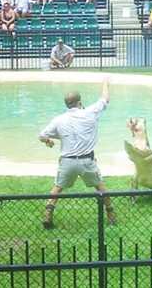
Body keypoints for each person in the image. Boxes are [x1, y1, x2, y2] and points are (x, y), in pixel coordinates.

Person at [38, 77, 117, 229]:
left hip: (67, 161)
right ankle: (111, 214)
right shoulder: (90, 112)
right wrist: (105, 82)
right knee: (100, 187)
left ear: (67, 104)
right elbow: (105, 99)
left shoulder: (58, 120)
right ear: (79, 102)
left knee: (57, 187)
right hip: (87, 161)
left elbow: (42, 135)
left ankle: (48, 212)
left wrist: (48, 141)